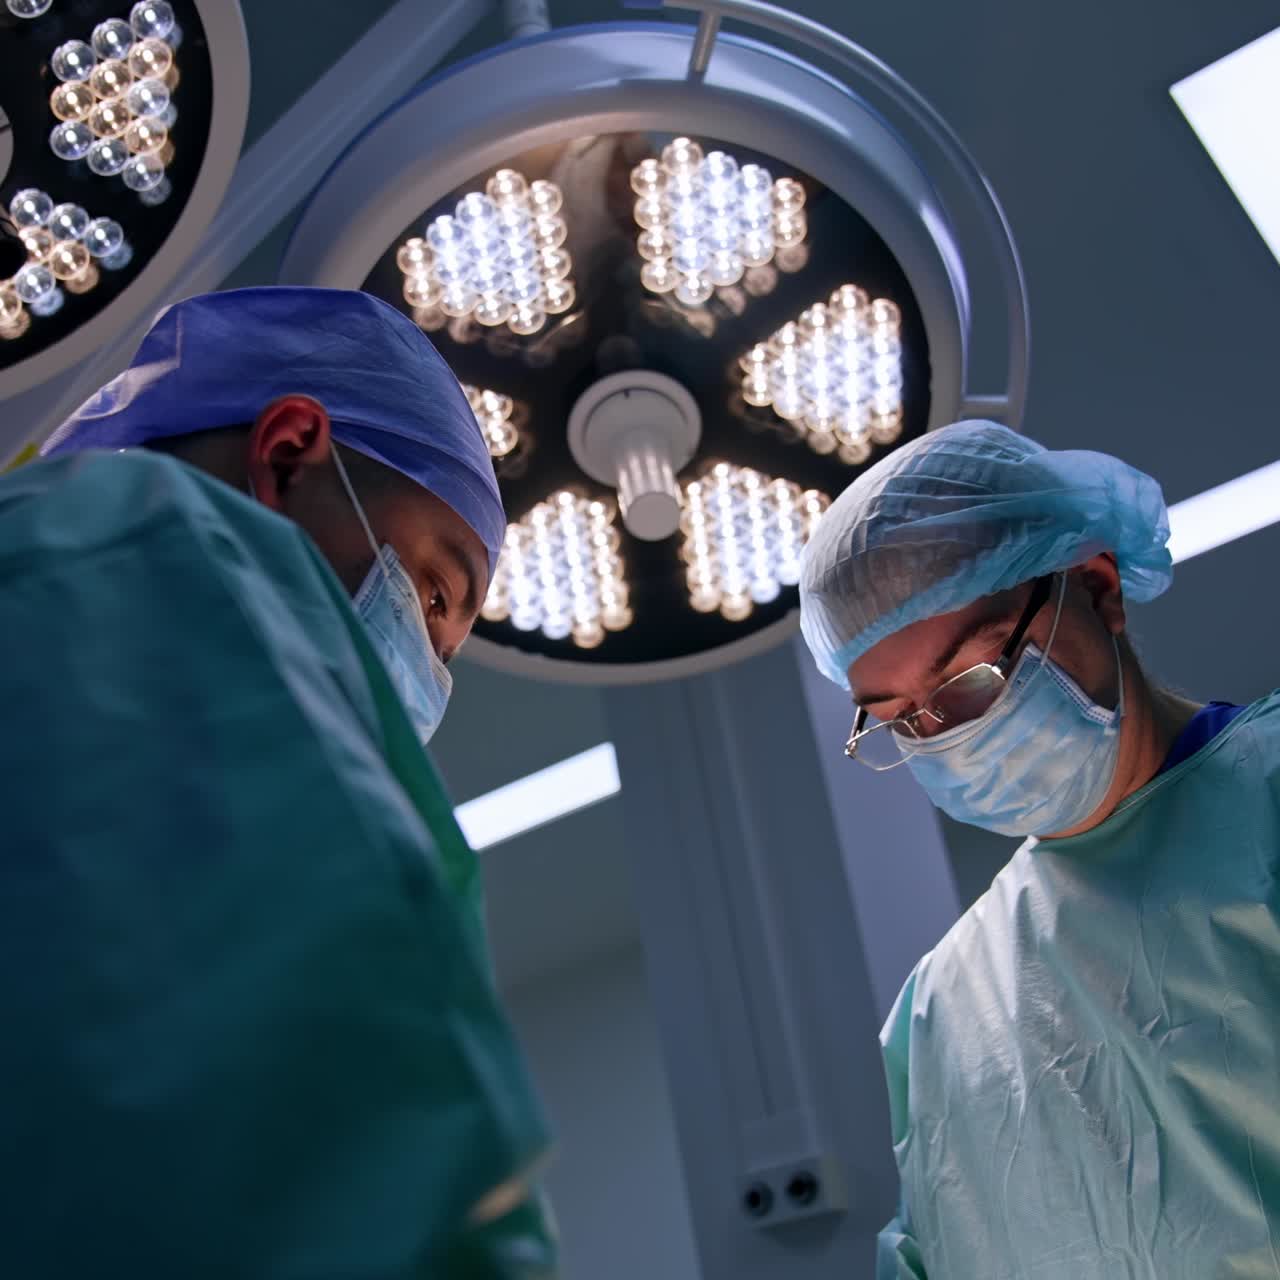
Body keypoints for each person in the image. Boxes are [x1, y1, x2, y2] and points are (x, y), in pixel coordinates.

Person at [0, 287, 557, 1278]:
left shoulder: (46, 564)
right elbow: (377, 1160)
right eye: (435, 593)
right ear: (290, 453)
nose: (429, 672)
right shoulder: (149, 554)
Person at [799, 421, 1280, 1279]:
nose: (945, 738)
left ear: (1096, 589)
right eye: (901, 719)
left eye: (973, 679)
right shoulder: (941, 1016)